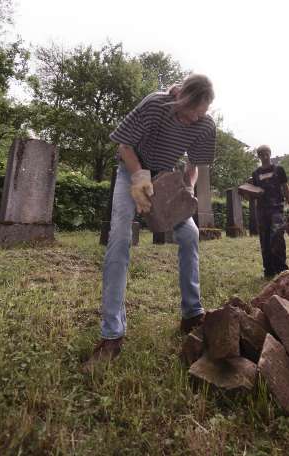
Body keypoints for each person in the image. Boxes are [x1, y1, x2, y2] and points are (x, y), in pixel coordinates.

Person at [83, 74, 216, 369]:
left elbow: (194, 166)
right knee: (119, 239)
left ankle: (192, 313)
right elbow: (124, 146)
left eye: (201, 114)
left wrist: (187, 190)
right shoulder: (156, 104)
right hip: (130, 172)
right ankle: (112, 335)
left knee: (189, 235)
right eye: (190, 111)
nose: (195, 119)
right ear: (180, 96)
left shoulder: (205, 125)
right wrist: (138, 176)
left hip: (168, 179)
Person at [251, 145, 289, 278]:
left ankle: (282, 269)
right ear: (258, 156)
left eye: (267, 154)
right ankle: (269, 270)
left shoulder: (279, 169)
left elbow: (286, 189)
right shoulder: (255, 173)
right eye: (261, 154)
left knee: (277, 237)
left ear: (270, 154)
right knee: (264, 240)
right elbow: (254, 193)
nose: (265, 156)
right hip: (261, 210)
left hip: (276, 209)